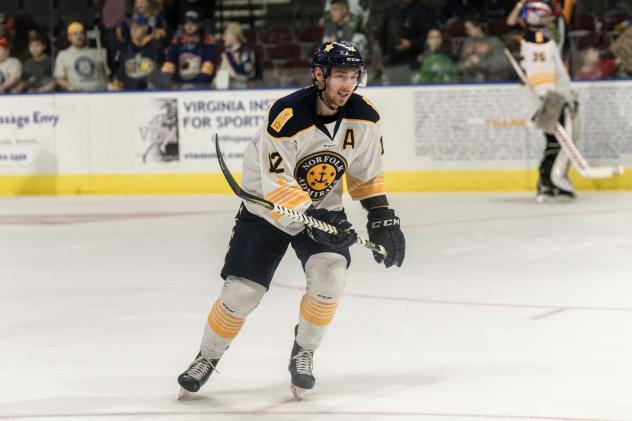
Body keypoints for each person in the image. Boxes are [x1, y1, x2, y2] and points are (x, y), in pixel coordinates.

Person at [177, 40, 406, 400]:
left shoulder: (365, 117)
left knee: (331, 275)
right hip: (267, 213)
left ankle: (305, 352)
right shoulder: (286, 115)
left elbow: (365, 173)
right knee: (241, 294)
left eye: (353, 76)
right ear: (319, 75)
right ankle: (206, 358)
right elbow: (277, 182)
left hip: (321, 209)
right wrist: (314, 217)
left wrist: (382, 218)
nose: (347, 85)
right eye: (339, 76)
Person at [517, 1, 575, 202]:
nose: (549, 20)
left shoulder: (543, 40)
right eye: (545, 17)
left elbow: (557, 71)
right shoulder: (536, 41)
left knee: (557, 142)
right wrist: (545, 99)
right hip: (548, 99)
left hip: (554, 98)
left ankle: (551, 182)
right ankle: (548, 182)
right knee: (555, 142)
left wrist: (567, 94)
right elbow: (540, 75)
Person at [159, 10, 217, 89]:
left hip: (201, 88)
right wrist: (164, 82)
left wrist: (194, 86)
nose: (189, 26)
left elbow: (207, 71)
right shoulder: (177, 44)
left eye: (193, 23)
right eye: (186, 23)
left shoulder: (207, 45)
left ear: (199, 25)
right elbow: (168, 65)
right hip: (179, 87)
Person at [113, 14, 164, 90]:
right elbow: (119, 76)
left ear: (146, 28)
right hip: (129, 95)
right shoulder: (125, 48)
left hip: (151, 95)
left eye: (137, 27)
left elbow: (164, 72)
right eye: (132, 27)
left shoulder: (156, 47)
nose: (133, 30)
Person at [54, 22, 109, 91]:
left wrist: (105, 91)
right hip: (77, 96)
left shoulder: (97, 52)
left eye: (81, 33)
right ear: (69, 37)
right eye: (75, 34)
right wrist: (73, 89)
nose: (79, 36)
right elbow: (59, 79)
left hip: (97, 94)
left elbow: (105, 75)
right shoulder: (63, 55)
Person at [459, 14, 509, 81]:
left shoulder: (494, 42)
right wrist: (465, 65)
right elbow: (460, 63)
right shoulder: (468, 42)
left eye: (469, 29)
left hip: (491, 83)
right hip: (470, 83)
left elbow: (502, 64)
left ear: (478, 28)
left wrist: (480, 62)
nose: (466, 32)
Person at [216, 22, 255, 89]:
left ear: (234, 36)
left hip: (241, 90)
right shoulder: (225, 52)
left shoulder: (245, 51)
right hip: (224, 90)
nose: (223, 38)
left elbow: (245, 72)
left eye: (226, 35)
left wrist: (230, 57)